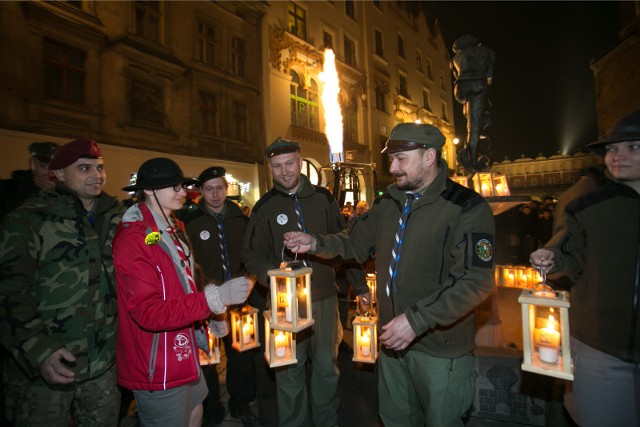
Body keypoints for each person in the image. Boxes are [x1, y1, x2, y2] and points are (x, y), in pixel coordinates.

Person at [284, 123, 496, 426]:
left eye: (401, 159)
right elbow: (354, 243)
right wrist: (316, 242)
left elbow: (475, 280)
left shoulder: (466, 208)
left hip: (440, 350)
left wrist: (416, 320)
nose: (393, 168)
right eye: (391, 159)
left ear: (429, 157)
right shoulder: (388, 203)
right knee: (395, 419)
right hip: (393, 346)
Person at [113, 158, 254, 427]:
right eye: (175, 186)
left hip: (183, 351)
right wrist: (216, 298)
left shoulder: (173, 226)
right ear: (150, 190)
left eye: (182, 186)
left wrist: (207, 318)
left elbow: (187, 282)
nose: (183, 192)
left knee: (194, 415)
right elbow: (149, 312)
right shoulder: (133, 239)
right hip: (157, 363)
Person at [242, 137, 368, 427]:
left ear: (300, 162)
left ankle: (327, 421)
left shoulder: (323, 199)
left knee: (326, 368)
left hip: (324, 299)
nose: (284, 172)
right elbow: (251, 254)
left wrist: (359, 286)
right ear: (269, 168)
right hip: (285, 306)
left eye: (289, 164)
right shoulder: (264, 208)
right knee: (288, 372)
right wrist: (272, 277)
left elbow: (345, 245)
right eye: (277, 167)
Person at [0, 139, 125, 425]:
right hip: (45, 371)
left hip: (103, 366)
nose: (97, 174)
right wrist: (38, 348)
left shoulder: (118, 218)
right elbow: (8, 291)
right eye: (84, 168)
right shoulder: (29, 220)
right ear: (58, 174)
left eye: (100, 167)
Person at [529, 110, 640, 427]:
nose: (618, 156)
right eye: (612, 149)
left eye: (632, 147)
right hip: (598, 346)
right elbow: (569, 253)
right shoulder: (588, 206)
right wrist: (550, 257)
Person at [184, 166, 258, 427]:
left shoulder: (241, 218)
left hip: (239, 300)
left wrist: (249, 281)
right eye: (209, 189)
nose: (215, 194)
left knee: (242, 356)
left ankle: (241, 404)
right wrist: (207, 293)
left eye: (219, 188)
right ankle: (211, 407)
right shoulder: (191, 223)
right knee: (209, 360)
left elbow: (251, 254)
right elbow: (190, 264)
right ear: (201, 192)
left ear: (227, 189)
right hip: (208, 302)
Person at [0, 141, 59, 220]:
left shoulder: (70, 195)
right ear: (32, 163)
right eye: (43, 166)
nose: (49, 172)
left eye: (56, 167)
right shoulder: (7, 189)